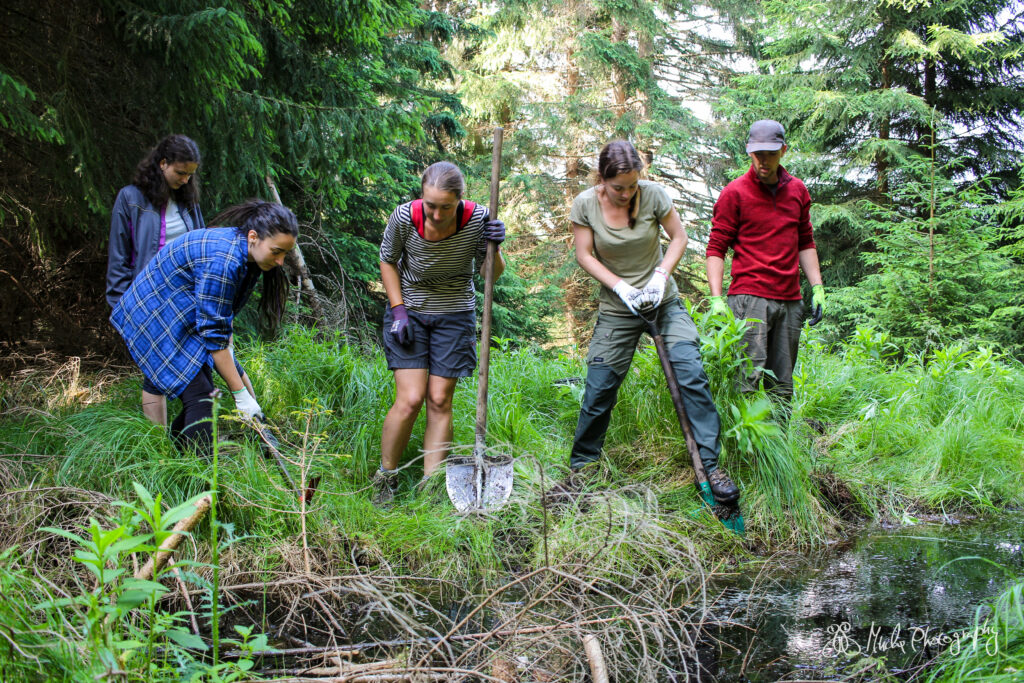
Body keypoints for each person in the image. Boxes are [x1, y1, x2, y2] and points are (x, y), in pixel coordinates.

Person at [562, 140, 738, 503]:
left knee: (690, 372)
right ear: (602, 179)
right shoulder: (585, 205)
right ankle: (581, 471)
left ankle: (709, 468)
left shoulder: (654, 195)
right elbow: (584, 254)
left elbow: (679, 238)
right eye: (618, 187)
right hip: (617, 307)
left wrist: (660, 276)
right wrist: (620, 287)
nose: (627, 193)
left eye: (632, 184)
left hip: (663, 302)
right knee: (599, 387)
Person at [110, 200, 297, 457]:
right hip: (156, 312)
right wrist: (240, 395)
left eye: (285, 254)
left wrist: (250, 402)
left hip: (182, 309)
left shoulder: (247, 255)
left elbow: (222, 317)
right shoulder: (225, 261)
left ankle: (175, 455)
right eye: (276, 251)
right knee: (202, 395)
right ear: (254, 237)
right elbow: (213, 335)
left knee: (209, 380)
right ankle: (200, 477)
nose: (280, 261)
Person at [374, 161, 506, 506]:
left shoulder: (479, 219)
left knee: (439, 400)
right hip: (410, 312)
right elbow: (387, 260)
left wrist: (496, 246)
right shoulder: (404, 217)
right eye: (430, 205)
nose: (435, 214)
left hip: (454, 313)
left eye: (444, 207)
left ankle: (431, 486)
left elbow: (492, 274)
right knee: (411, 399)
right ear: (422, 198)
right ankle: (385, 476)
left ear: (459, 201)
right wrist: (398, 309)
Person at [105, 134, 255, 425]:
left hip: (187, 300)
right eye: (180, 173)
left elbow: (201, 249)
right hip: (148, 301)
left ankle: (250, 425)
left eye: (191, 174)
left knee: (206, 362)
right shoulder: (130, 198)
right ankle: (158, 447)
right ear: (162, 164)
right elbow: (118, 256)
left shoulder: (188, 202)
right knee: (155, 375)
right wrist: (121, 307)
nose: (186, 180)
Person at [705, 120, 825, 411]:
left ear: (783, 150)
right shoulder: (734, 193)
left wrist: (818, 288)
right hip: (749, 299)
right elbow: (716, 248)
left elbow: (805, 242)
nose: (764, 160)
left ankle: (777, 452)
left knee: (782, 385)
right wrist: (717, 298)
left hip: (789, 301)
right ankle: (744, 453)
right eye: (758, 154)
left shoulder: (798, 191)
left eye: (770, 153)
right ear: (749, 152)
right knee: (746, 380)